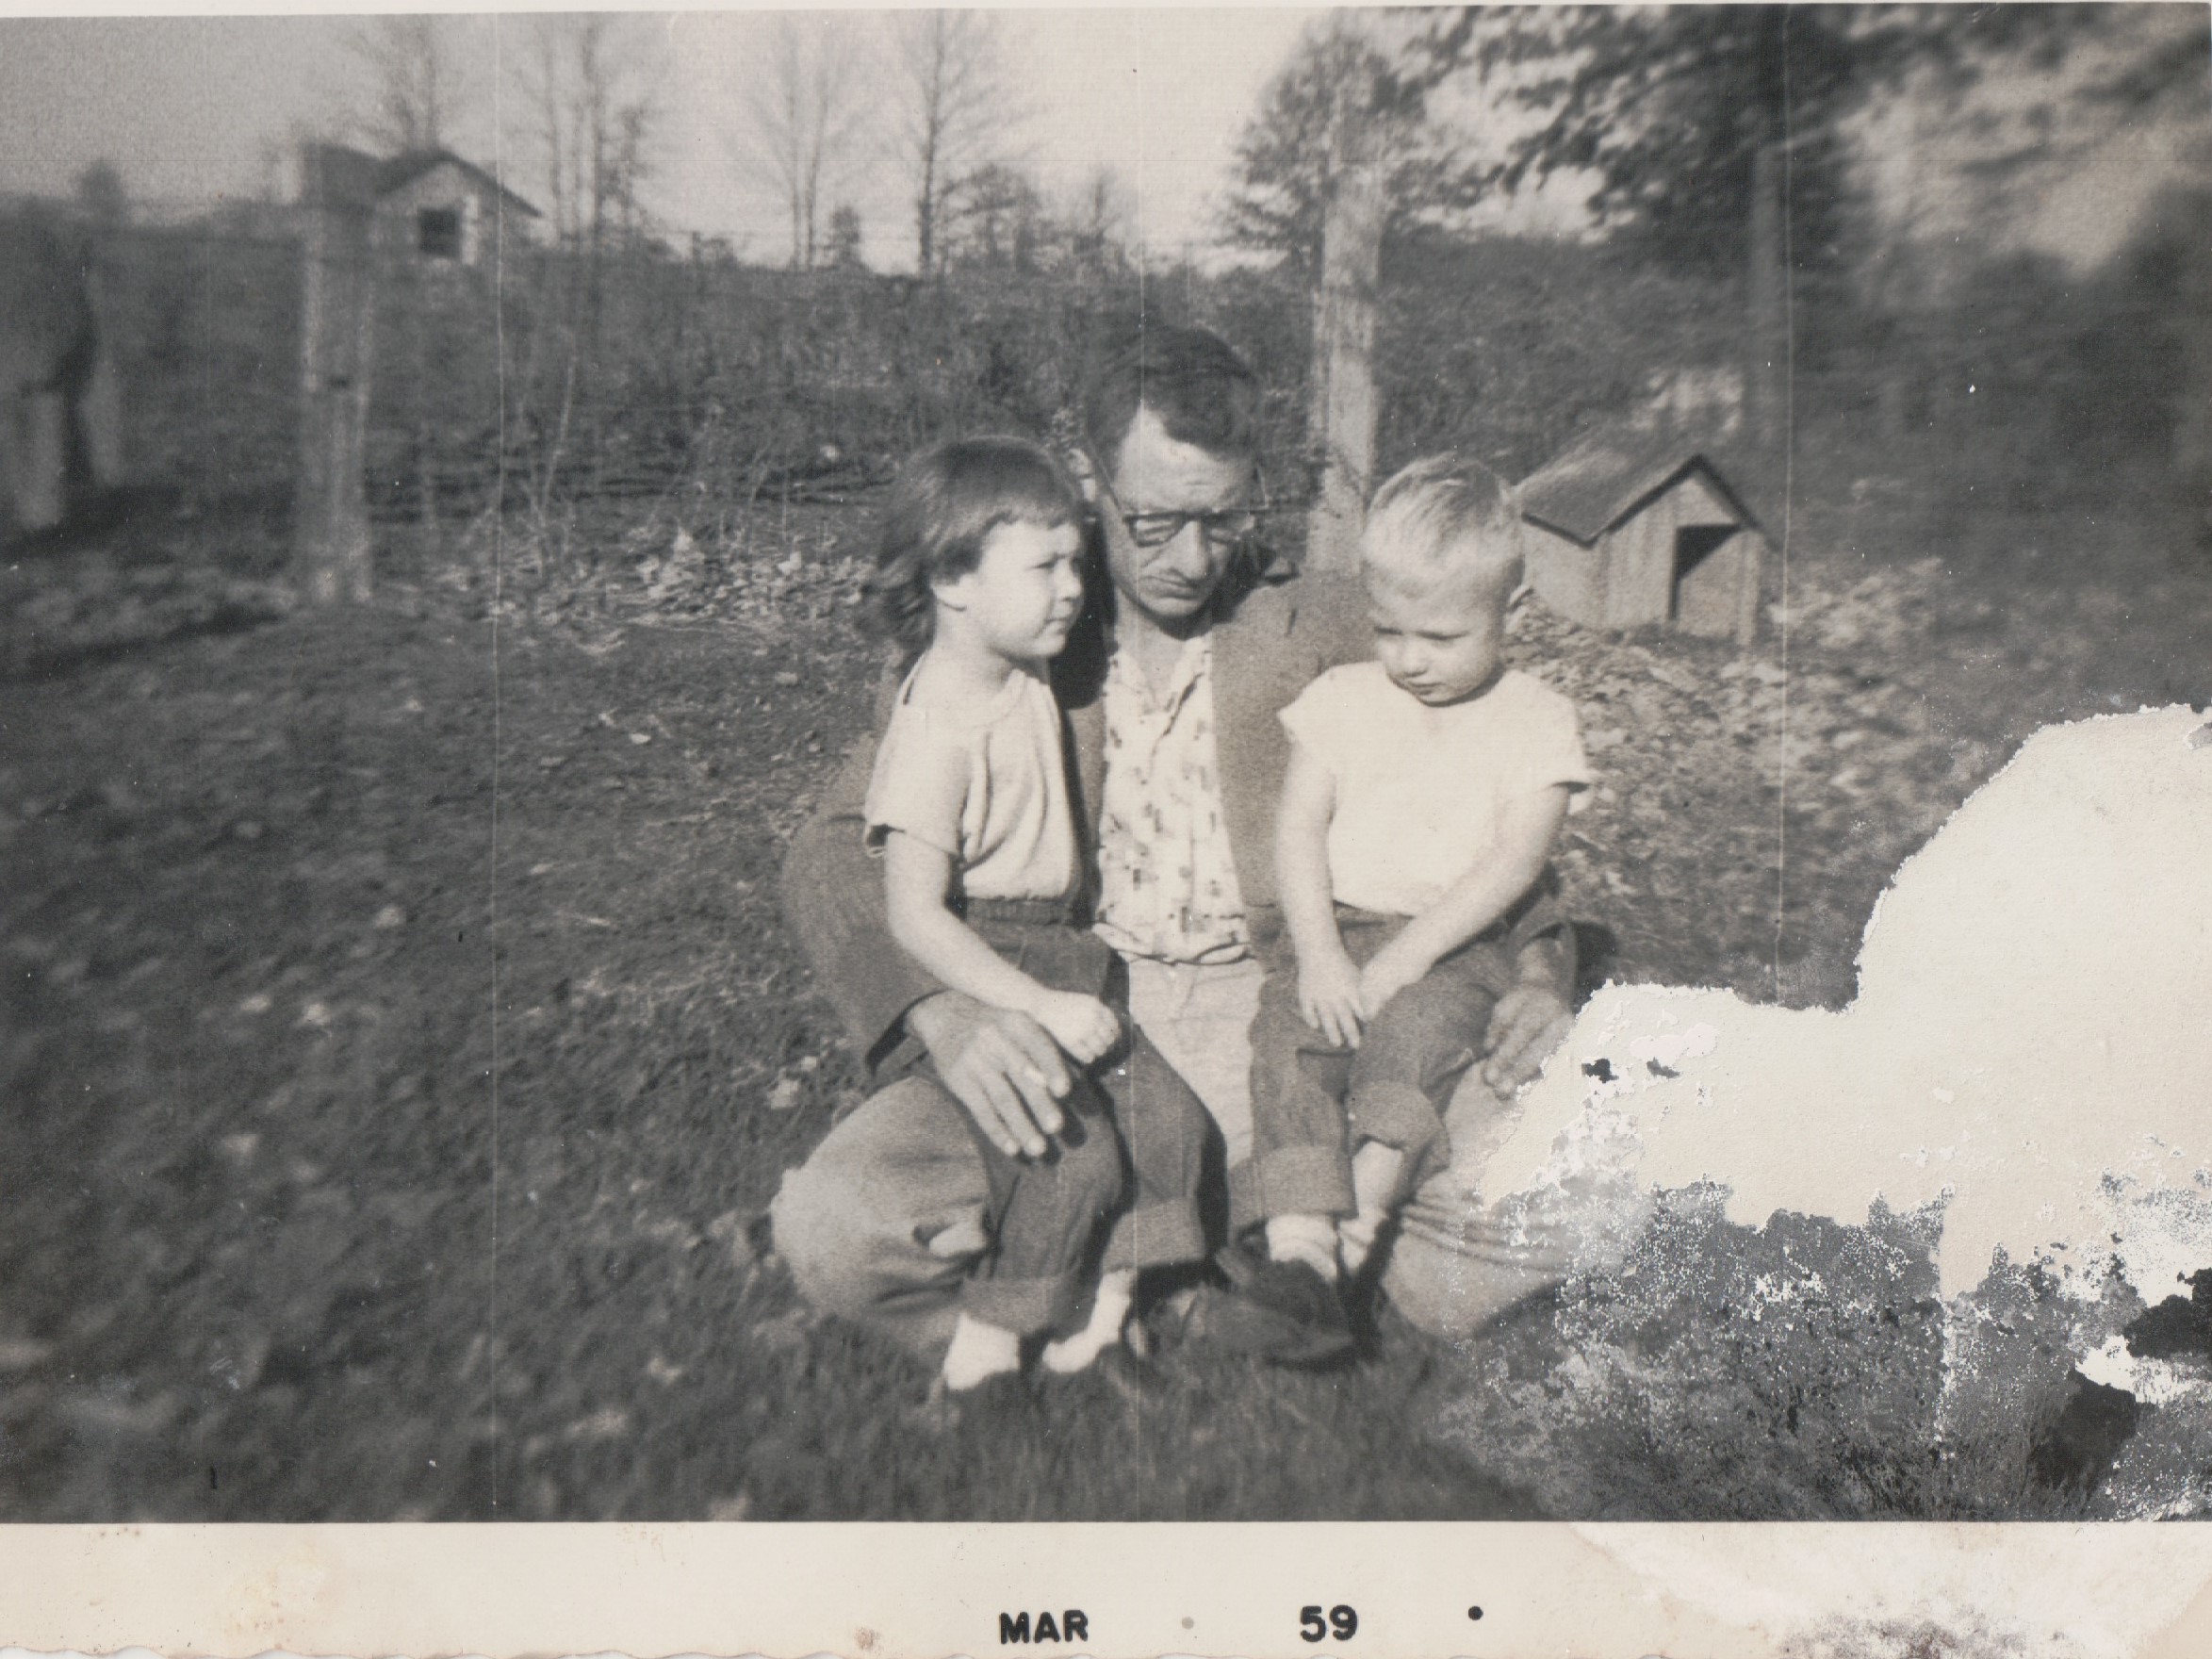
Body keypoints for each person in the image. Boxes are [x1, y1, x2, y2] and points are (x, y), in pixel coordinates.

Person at [773, 320, 1577, 1366]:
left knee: (1572, 1215)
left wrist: (1543, 970)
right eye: (1152, 520)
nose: (1193, 559)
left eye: (1223, 518)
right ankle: (1213, 1263)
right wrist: (948, 1013)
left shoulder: (1341, 625)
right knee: (836, 1233)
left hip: (1293, 1026)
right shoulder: (1011, 632)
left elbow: (1496, 821)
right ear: (1087, 478)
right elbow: (829, 849)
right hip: (1086, 1029)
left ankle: (1170, 1253)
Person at [857, 436, 1204, 1391]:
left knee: (1172, 1127)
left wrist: (1084, 492)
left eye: (1077, 564)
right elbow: (917, 915)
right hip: (992, 953)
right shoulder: (935, 731)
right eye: (1045, 568)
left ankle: (1100, 1327)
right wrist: (1036, 1007)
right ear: (951, 578)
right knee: (1069, 1159)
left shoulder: (1024, 661)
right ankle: (989, 1348)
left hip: (1068, 947)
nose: (1071, 590)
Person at [1250, 456, 1591, 1299]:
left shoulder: (1536, 721)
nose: (1408, 660)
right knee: (1288, 1044)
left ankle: (1363, 1211)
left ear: (1510, 610)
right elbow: (1297, 828)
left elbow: (1513, 863)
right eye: (1387, 630)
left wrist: (1407, 957)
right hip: (1338, 925)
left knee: (1413, 1040)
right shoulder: (1341, 697)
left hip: (1455, 944)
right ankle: (1295, 1239)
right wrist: (1321, 952)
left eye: (1441, 637)